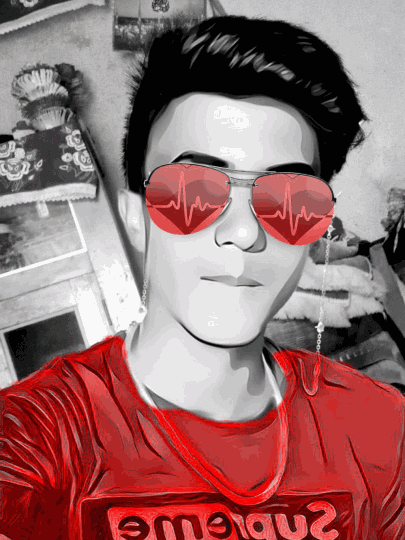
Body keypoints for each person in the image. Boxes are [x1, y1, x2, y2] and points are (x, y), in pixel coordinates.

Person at [0, 15, 404, 540]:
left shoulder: (382, 428)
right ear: (135, 219)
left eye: (289, 198)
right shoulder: (42, 434)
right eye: (193, 191)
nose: (244, 232)